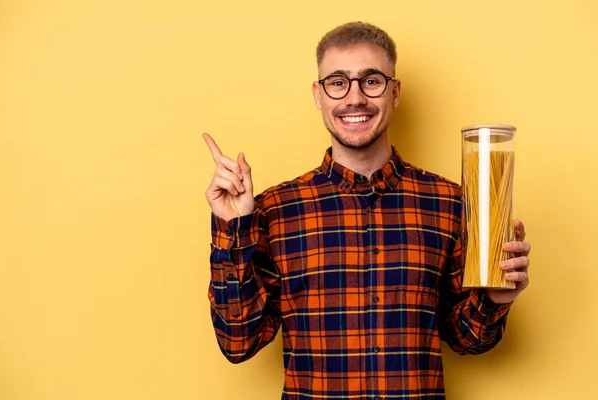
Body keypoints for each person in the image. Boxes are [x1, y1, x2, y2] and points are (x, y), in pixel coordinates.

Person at [203, 21, 531, 400]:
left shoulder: (452, 203)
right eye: (338, 82)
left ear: (394, 92)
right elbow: (238, 343)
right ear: (318, 94)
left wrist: (496, 298)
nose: (354, 98)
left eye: (371, 80)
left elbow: (467, 340)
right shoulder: (275, 210)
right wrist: (233, 228)